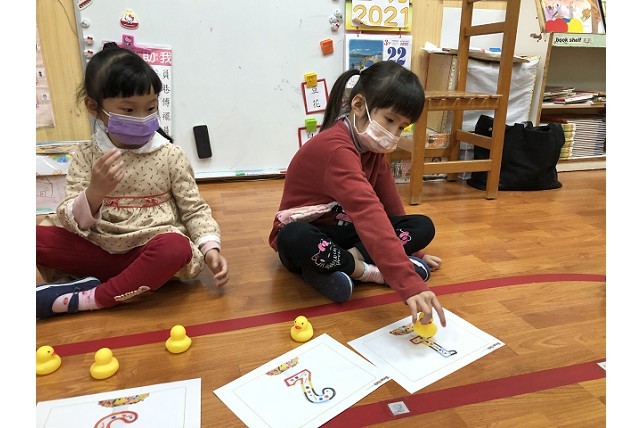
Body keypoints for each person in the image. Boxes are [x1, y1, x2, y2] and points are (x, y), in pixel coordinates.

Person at [35, 43, 228, 319]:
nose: (142, 118)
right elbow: (70, 218)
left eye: (150, 107)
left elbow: (194, 209)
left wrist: (210, 249)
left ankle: (92, 297)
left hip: (147, 252)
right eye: (128, 109)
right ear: (94, 107)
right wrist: (94, 193)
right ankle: (118, 284)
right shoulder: (87, 154)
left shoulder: (170, 155)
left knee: (175, 247)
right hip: (98, 248)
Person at [268, 61, 446, 327]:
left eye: (402, 127)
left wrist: (416, 253)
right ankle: (366, 272)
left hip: (344, 236)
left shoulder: (371, 148)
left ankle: (334, 267)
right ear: (359, 105)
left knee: (422, 226)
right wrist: (407, 281)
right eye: (389, 120)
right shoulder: (336, 150)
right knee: (293, 237)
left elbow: (390, 207)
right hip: (314, 234)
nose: (393, 134)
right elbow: (368, 212)